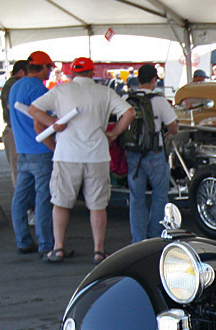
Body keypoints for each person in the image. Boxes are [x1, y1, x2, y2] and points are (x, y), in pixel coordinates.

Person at [29, 56, 135, 264]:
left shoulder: (61, 90)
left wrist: (53, 123)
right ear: (92, 72)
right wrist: (113, 135)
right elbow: (129, 113)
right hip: (97, 155)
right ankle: (98, 251)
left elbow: (33, 109)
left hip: (67, 154)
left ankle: (58, 248)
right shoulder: (104, 92)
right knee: (97, 205)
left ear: (72, 73)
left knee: (60, 203)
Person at [9, 51, 57, 257]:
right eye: (50, 68)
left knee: (20, 198)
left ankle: (23, 240)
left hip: (23, 150)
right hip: (41, 150)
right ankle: (46, 243)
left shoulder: (15, 87)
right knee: (43, 198)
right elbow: (41, 120)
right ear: (43, 67)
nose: (50, 72)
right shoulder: (38, 88)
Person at [125, 64, 179, 243]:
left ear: (138, 79)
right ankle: (155, 236)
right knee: (160, 195)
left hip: (133, 154)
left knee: (136, 197)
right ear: (154, 80)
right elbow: (174, 128)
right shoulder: (160, 101)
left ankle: (138, 240)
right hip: (155, 153)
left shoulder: (126, 99)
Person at [0, 60, 29, 188]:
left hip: (15, 131)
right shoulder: (14, 86)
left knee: (20, 169)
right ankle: (25, 205)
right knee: (19, 170)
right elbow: (11, 107)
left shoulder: (11, 85)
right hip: (15, 131)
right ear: (21, 72)